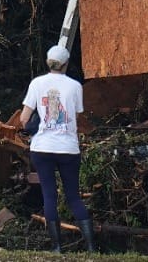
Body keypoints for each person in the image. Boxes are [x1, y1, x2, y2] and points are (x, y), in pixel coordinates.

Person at [20, 44, 95, 252]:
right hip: (68, 148)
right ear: (66, 64)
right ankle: (90, 247)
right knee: (73, 195)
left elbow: (24, 118)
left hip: (42, 147)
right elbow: (76, 116)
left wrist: (35, 126)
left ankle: (57, 247)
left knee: (49, 195)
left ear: (47, 62)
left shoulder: (37, 83)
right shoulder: (75, 86)